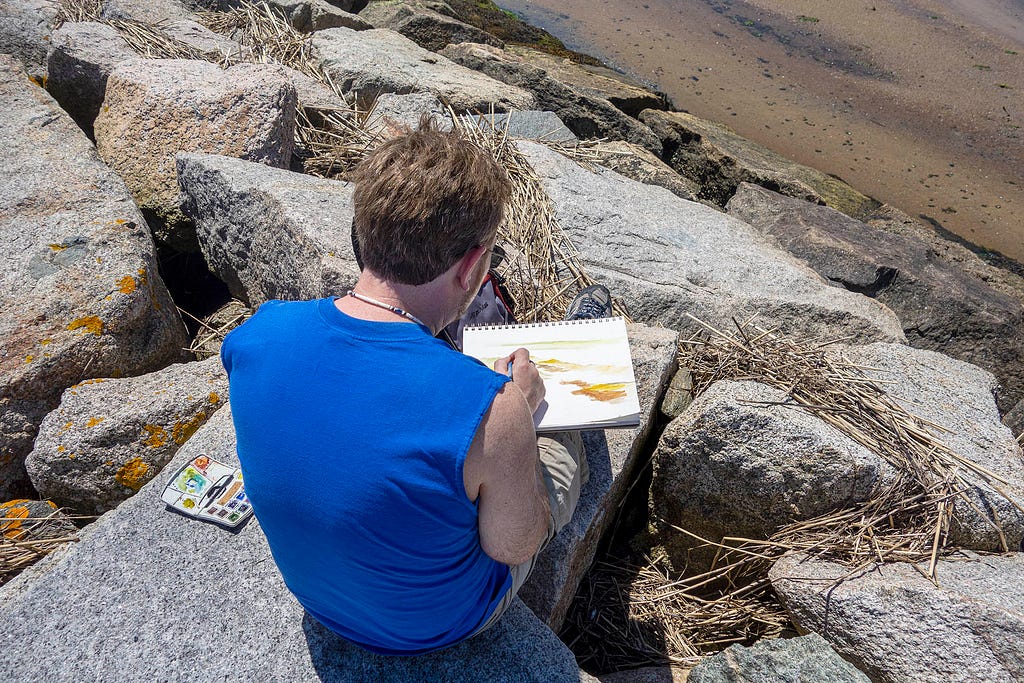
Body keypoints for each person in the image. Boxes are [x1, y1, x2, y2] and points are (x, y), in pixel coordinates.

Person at [221, 120, 613, 655]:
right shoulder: (494, 409)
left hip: (319, 600)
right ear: (474, 264)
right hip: (439, 624)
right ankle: (576, 340)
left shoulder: (257, 333)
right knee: (559, 437)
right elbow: (512, 546)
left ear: (363, 234)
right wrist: (519, 416)